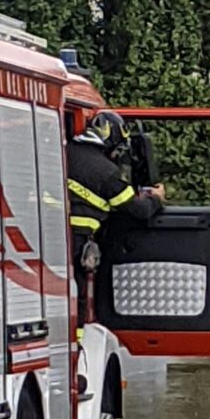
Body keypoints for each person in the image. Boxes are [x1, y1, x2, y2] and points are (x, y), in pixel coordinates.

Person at [66, 110, 165, 335]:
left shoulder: (63, 153)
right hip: (77, 240)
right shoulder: (106, 172)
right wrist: (156, 199)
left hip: (45, 237)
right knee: (78, 297)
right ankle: (77, 351)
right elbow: (139, 210)